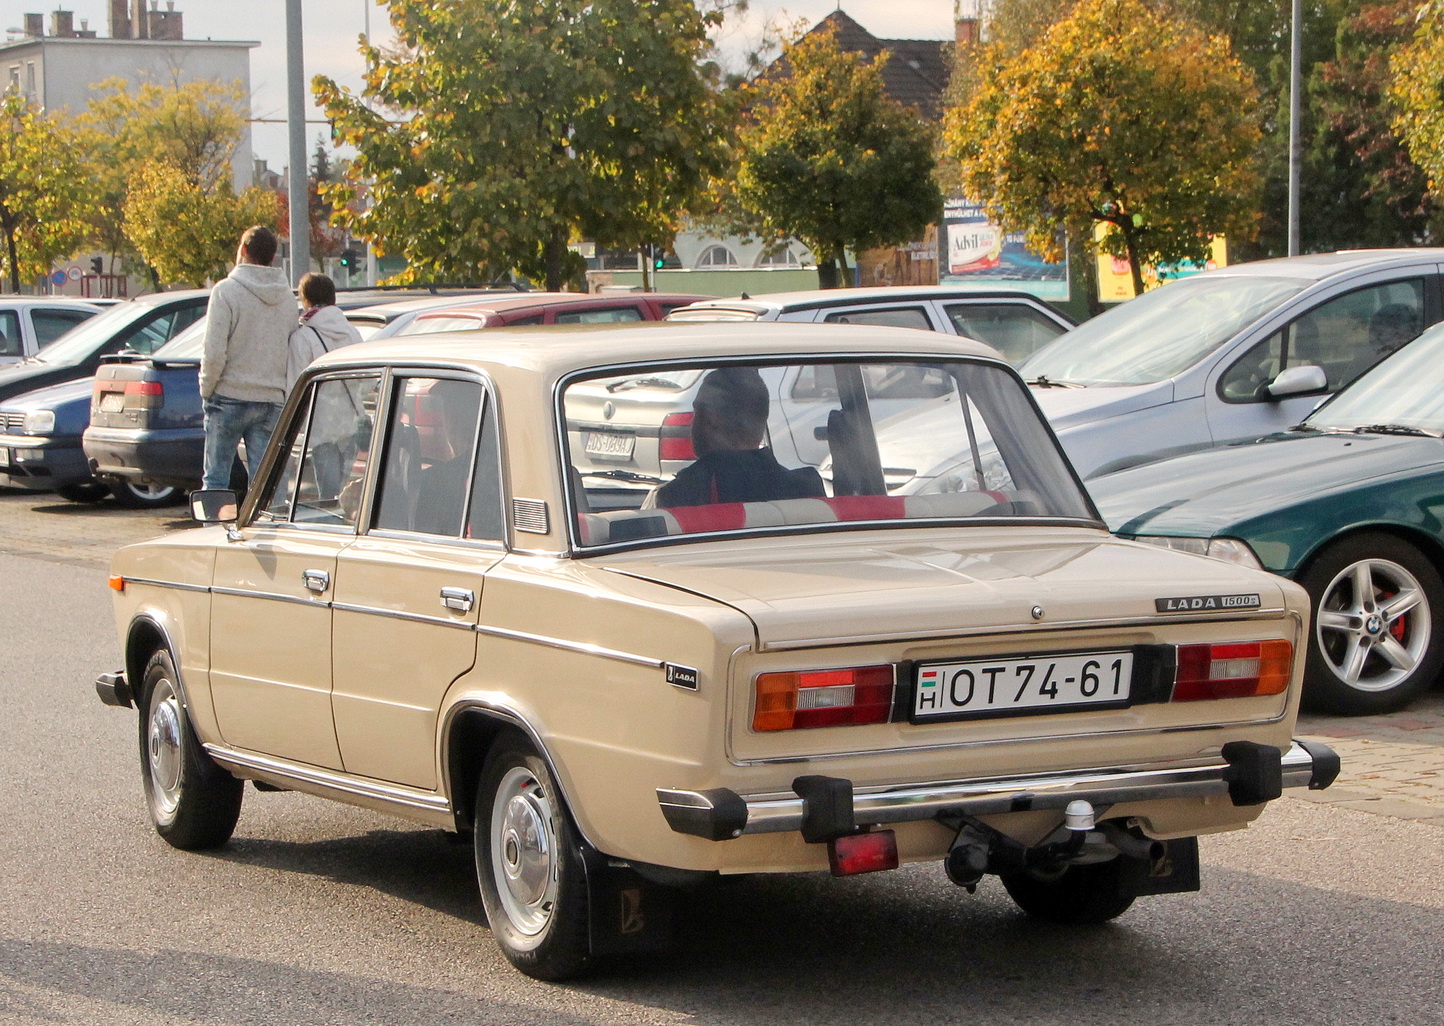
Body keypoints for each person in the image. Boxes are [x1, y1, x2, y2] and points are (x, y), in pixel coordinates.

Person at [199, 225, 297, 490]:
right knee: (266, 486)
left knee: (217, 479)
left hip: (229, 395)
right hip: (271, 399)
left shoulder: (225, 291)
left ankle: (213, 528)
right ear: (273, 257)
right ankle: (267, 529)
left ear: (242, 250)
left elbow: (214, 351)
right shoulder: (287, 297)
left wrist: (207, 389)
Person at [652, 367, 825, 508]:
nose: (692, 422)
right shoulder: (806, 491)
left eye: (698, 412)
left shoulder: (679, 496)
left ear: (713, 419)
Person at [288, 273, 366, 500]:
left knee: (328, 497)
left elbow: (295, 388)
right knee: (348, 495)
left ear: (306, 300)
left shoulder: (303, 338)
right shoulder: (352, 332)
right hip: (351, 422)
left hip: (321, 426)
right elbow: (367, 379)